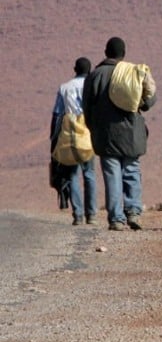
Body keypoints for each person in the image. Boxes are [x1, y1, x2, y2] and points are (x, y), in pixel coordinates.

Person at [83, 37, 156, 231]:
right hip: (132, 133)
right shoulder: (133, 71)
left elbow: (87, 108)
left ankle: (116, 218)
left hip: (106, 135)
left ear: (106, 51)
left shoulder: (95, 75)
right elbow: (149, 101)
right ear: (123, 53)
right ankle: (133, 211)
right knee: (132, 170)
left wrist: (94, 129)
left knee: (112, 173)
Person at [50, 57, 97, 225]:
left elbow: (57, 115)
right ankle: (91, 215)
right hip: (89, 135)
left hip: (70, 135)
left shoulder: (65, 88)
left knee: (72, 175)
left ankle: (78, 214)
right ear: (90, 70)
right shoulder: (93, 85)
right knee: (90, 174)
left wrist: (54, 139)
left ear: (74, 69)